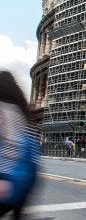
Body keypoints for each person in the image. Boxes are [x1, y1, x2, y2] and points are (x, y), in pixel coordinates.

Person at [0, 71, 40, 219]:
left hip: (11, 178)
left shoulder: (5, 109)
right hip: (27, 177)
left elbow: (12, 143)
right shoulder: (24, 111)